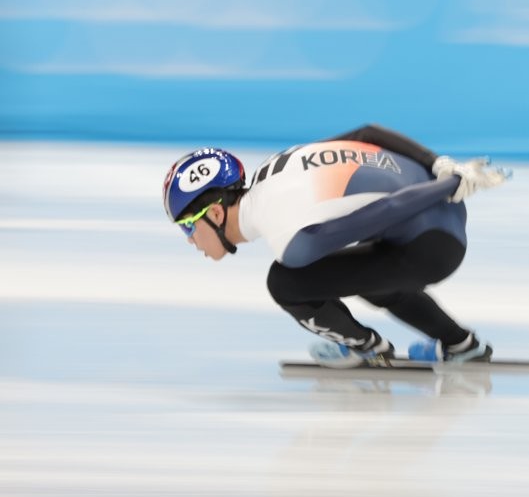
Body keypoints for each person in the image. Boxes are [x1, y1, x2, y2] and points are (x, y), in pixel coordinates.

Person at [162, 124, 509, 368]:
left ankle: (366, 349)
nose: (191, 241)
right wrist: (441, 167)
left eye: (187, 227)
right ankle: (462, 345)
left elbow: (385, 209)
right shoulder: (273, 168)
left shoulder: (287, 234)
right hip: (430, 212)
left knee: (286, 283)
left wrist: (451, 184)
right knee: (371, 281)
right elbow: (367, 133)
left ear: (217, 212)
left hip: (433, 238)